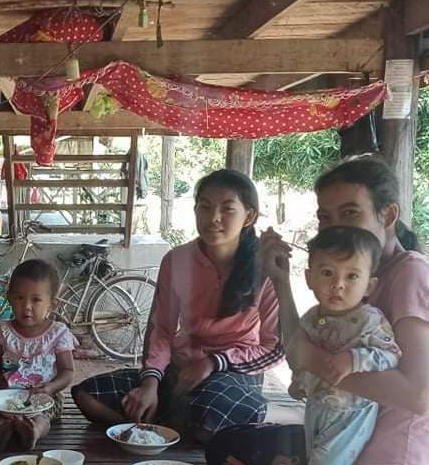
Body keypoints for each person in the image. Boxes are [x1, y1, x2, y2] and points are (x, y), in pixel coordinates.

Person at [184, 155, 429, 465]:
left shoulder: (409, 275)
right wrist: (280, 280)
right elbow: (300, 352)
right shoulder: (357, 278)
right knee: (225, 444)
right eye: (325, 218)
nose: (336, 228)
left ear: (388, 215)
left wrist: (319, 362)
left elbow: (419, 395)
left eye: (350, 213)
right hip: (336, 445)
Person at [71, 169, 284, 442]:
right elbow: (162, 329)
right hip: (180, 369)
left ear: (249, 216)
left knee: (211, 411)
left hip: (234, 373)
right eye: (204, 207)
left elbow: (274, 349)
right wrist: (150, 384)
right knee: (87, 395)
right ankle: (174, 423)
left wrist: (213, 362)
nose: (214, 217)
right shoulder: (177, 260)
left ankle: (171, 422)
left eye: (227, 209)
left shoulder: (265, 267)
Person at [280, 226, 401, 465]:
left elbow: (391, 355)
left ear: (369, 286)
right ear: (309, 278)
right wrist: (299, 380)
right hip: (316, 405)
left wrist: (353, 359)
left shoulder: (370, 320)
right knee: (314, 454)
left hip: (352, 412)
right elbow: (300, 354)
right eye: (327, 273)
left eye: (352, 276)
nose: (338, 285)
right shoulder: (311, 318)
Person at [0, 259, 77, 451]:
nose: (26, 306)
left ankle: (34, 432)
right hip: (6, 398)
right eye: (19, 298)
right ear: (9, 298)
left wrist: (51, 387)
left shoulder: (58, 333)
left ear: (53, 304)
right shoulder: (1, 331)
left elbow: (67, 371)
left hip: (45, 398)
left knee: (42, 419)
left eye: (36, 300)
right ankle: (3, 430)